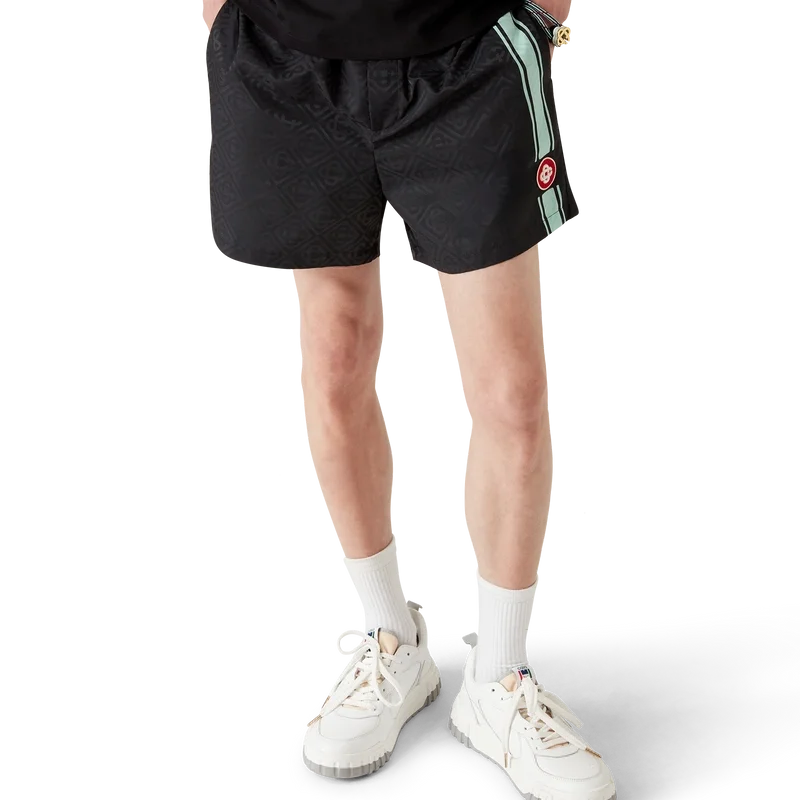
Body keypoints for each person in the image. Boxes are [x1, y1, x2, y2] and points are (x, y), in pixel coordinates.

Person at [202, 2, 615, 798]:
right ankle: (388, 637)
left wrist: (552, 17)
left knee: (511, 386)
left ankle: (498, 679)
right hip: (286, 58)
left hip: (467, 53)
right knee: (333, 358)